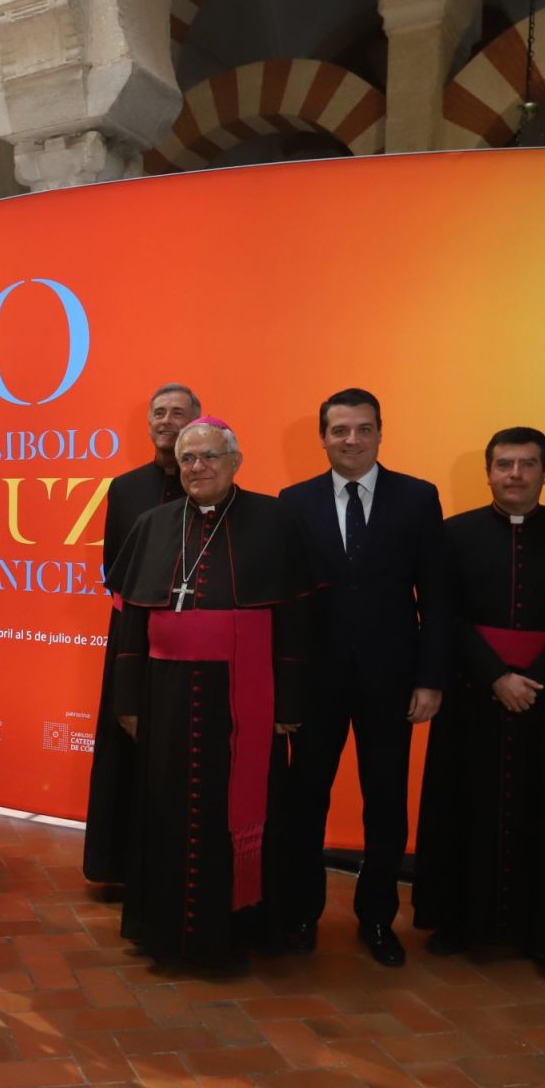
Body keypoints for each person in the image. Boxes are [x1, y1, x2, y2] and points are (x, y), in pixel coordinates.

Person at [110, 419, 316, 971]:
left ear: (235, 460)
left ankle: (242, 926)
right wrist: (127, 701)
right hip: (166, 696)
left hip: (245, 696)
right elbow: (131, 625)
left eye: (209, 457)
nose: (197, 467)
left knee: (239, 808)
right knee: (166, 808)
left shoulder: (273, 521)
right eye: (188, 459)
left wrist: (290, 704)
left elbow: (296, 620)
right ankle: (165, 929)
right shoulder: (154, 524)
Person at [413, 427, 545, 975]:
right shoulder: (453, 533)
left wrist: (536, 679)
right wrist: (496, 676)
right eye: (504, 464)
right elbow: (441, 612)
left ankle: (544, 932)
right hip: (474, 692)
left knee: (542, 811)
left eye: (527, 463)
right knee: (461, 804)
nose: (515, 474)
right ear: (489, 472)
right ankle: (457, 922)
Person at [278, 387, 449, 967]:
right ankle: (302, 912)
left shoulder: (418, 498)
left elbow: (437, 598)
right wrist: (285, 687)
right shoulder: (292, 502)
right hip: (315, 685)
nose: (351, 440)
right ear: (323, 436)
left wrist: (431, 679)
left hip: (392, 683)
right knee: (306, 803)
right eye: (339, 430)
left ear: (380, 431)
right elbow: (286, 603)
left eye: (363, 429)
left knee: (385, 804)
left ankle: (377, 918)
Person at [84, 383, 201, 887]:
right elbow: (114, 566)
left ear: (197, 422)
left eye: (178, 414)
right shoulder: (125, 488)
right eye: (159, 413)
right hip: (133, 632)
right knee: (126, 744)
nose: (167, 421)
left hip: (192, 638)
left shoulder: (210, 481)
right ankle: (120, 868)